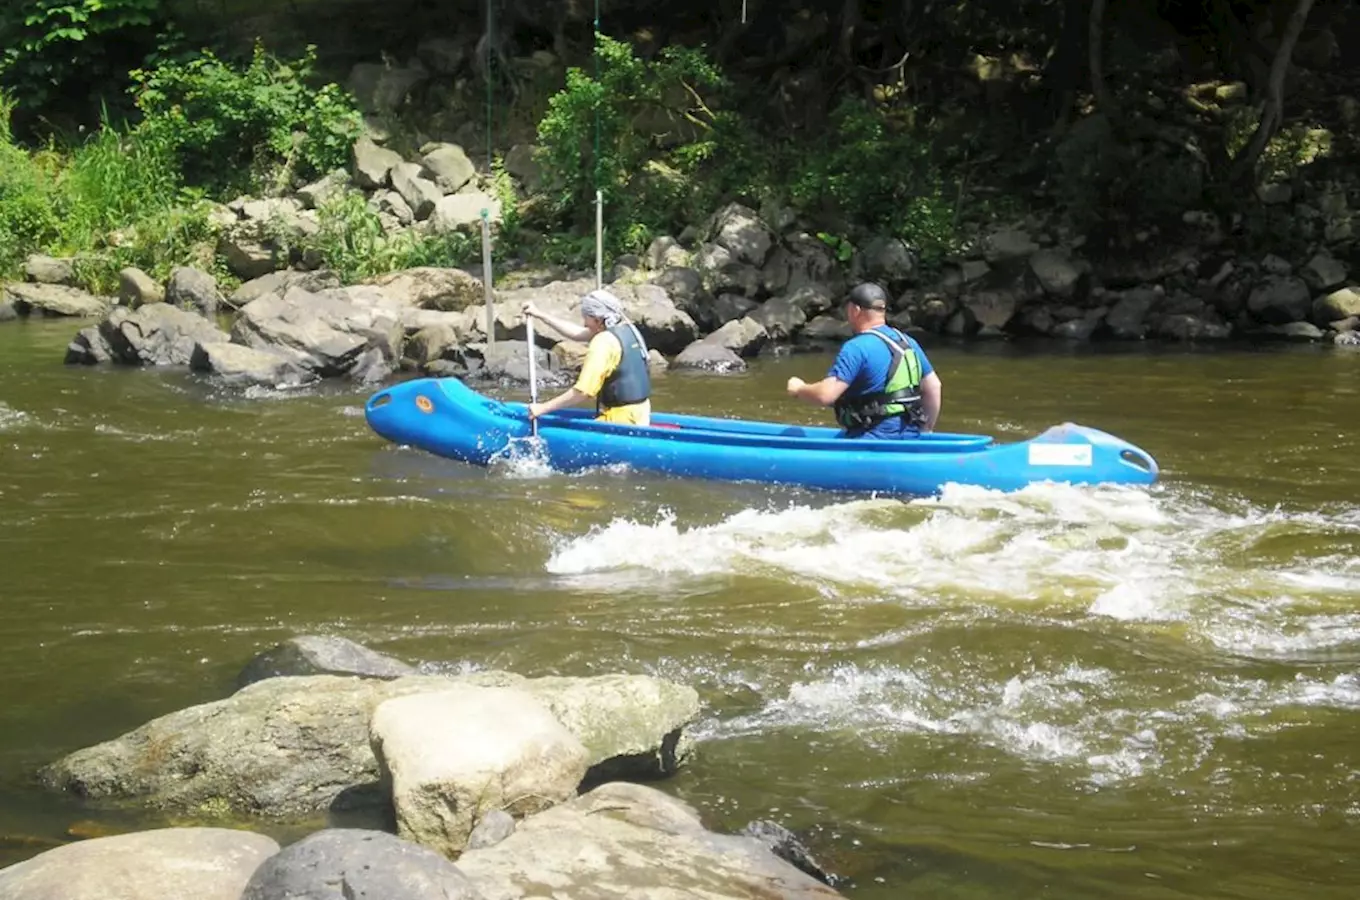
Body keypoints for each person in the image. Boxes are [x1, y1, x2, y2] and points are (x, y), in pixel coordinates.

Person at [786, 282, 942, 439]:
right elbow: (934, 387)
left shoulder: (856, 348)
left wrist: (800, 389)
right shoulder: (908, 342)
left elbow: (826, 395)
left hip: (871, 439)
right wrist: (926, 429)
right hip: (910, 435)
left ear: (855, 310)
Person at [521, 288, 652, 426]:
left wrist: (542, 408)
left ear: (598, 319)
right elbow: (577, 334)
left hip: (621, 421)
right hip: (641, 413)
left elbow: (583, 392)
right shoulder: (627, 329)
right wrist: (540, 315)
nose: (584, 324)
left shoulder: (603, 342)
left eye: (586, 318)